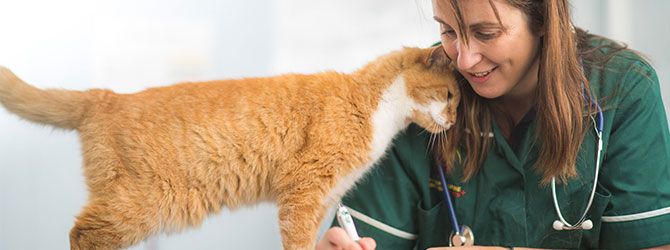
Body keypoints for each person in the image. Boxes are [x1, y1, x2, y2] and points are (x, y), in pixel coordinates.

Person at [316, 0, 670, 249]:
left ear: (544, 17)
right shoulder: (423, 89)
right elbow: (365, 238)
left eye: (485, 33)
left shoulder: (624, 90)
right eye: (448, 30)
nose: (464, 59)